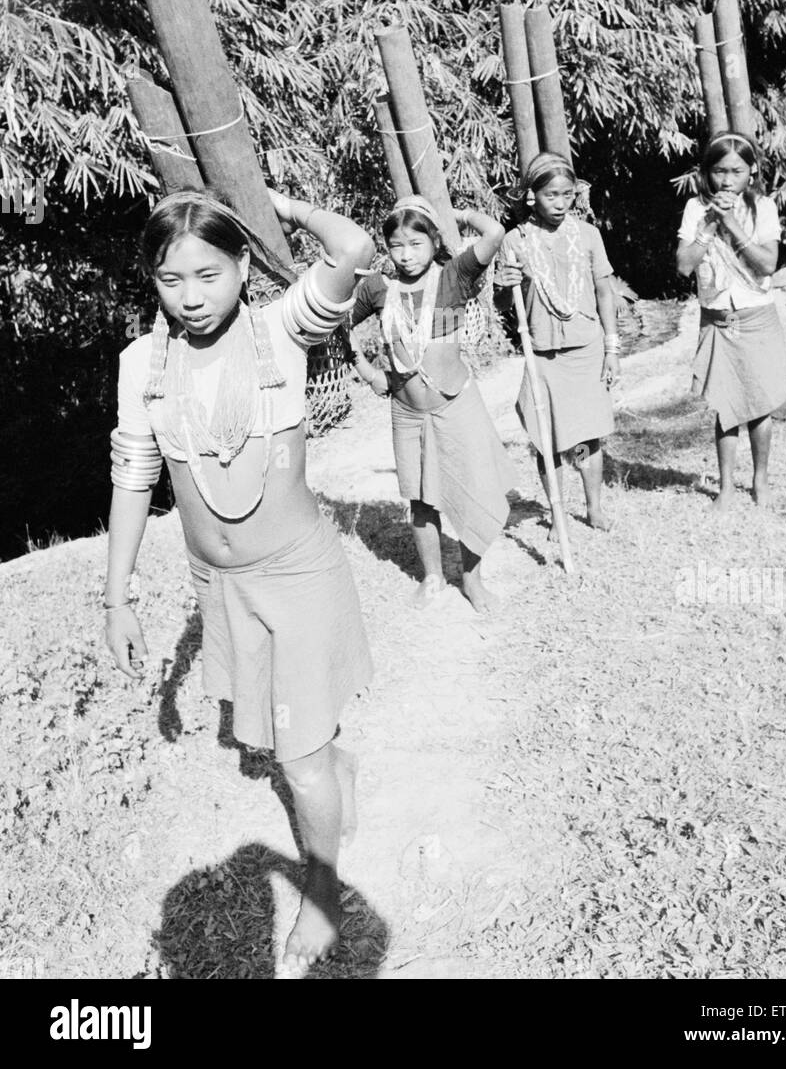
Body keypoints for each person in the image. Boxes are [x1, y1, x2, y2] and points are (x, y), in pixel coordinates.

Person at [104, 188, 375, 978]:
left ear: (242, 265)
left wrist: (269, 200)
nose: (191, 297)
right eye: (169, 279)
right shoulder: (140, 365)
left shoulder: (281, 330)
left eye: (208, 274)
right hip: (219, 587)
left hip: (297, 575)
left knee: (295, 760)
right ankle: (332, 763)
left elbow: (352, 246)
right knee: (290, 736)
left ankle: (322, 897)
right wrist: (117, 598)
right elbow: (132, 475)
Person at [348, 195, 512, 613]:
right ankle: (433, 576)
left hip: (455, 404)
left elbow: (494, 232)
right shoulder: (378, 288)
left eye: (416, 244)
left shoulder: (453, 276)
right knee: (420, 499)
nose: (405, 256)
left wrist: (456, 213)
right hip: (407, 412)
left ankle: (472, 580)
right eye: (396, 246)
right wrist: (370, 374)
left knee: (472, 487)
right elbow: (334, 322)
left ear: (434, 240)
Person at [498, 154, 620, 535]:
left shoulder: (587, 235)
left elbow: (604, 290)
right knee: (547, 438)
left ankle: (594, 507)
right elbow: (505, 305)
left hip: (585, 350)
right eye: (552, 195)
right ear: (532, 196)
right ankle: (557, 514)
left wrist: (613, 350)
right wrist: (505, 284)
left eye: (567, 194)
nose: (561, 203)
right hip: (543, 356)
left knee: (584, 436)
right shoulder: (514, 241)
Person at [676, 132, 786, 511]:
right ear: (707, 173)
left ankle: (760, 482)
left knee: (760, 404)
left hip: (756, 315)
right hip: (717, 317)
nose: (726, 181)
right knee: (725, 406)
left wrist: (734, 226)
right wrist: (710, 225)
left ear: (752, 170)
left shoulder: (765, 207)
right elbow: (683, 266)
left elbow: (767, 264)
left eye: (736, 171)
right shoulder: (696, 208)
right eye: (719, 172)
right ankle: (726, 488)